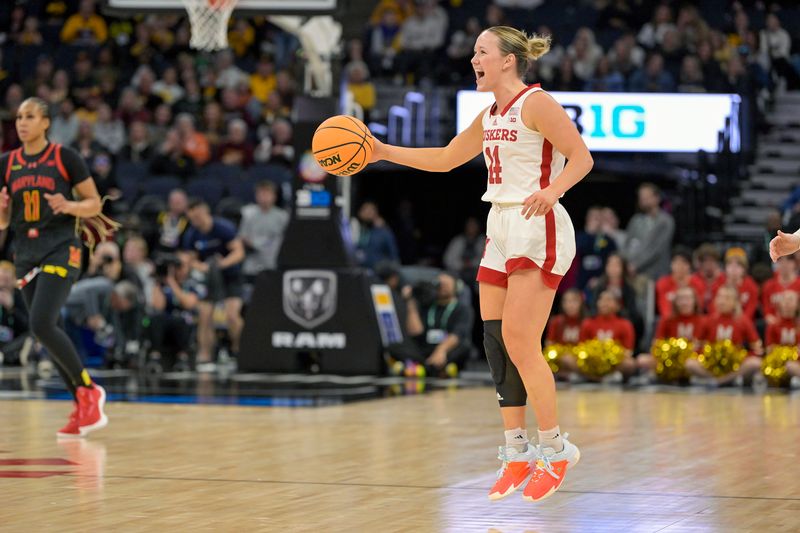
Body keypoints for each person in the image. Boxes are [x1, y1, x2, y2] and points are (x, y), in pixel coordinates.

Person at [369, 26, 593, 501]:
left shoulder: (537, 103)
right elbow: (448, 158)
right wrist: (384, 152)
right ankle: (516, 452)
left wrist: (553, 189)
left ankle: (555, 448)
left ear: (508, 60)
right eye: (474, 52)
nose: (474, 58)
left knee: (519, 339)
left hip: (539, 223)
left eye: (481, 52)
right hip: (500, 225)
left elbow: (581, 158)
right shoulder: (489, 113)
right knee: (495, 343)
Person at [0, 97, 107, 437]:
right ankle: (81, 404)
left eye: (30, 116)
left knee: (41, 323)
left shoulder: (65, 157)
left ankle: (89, 390)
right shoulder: (6, 163)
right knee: (45, 329)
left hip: (61, 248)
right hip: (26, 252)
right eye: (19, 117)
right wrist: (2, 211)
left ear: (46, 122)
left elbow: (94, 204)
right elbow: (3, 223)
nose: (22, 123)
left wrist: (70, 205)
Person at [182, 199, 245, 370]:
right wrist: (204, 267)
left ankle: (238, 351)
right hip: (208, 278)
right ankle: (205, 356)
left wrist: (222, 264)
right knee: (204, 316)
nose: (196, 221)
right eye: (192, 218)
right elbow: (190, 259)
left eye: (198, 216)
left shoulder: (223, 228)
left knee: (232, 315)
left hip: (230, 275)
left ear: (205, 212)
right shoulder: (192, 234)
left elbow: (238, 252)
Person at [620, 182, 675, 279]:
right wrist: (626, 264)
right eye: (641, 196)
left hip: (656, 274)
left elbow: (656, 249)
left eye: (646, 196)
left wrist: (636, 265)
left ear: (657, 198)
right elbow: (627, 244)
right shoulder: (636, 220)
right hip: (634, 274)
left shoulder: (665, 221)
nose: (643, 199)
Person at [239, 180, 289, 282]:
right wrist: (253, 244)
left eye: (267, 194)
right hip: (252, 263)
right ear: (256, 196)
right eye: (261, 194)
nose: (264, 198)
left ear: (274, 196)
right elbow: (242, 237)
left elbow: (287, 240)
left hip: (274, 263)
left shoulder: (283, 216)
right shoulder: (247, 214)